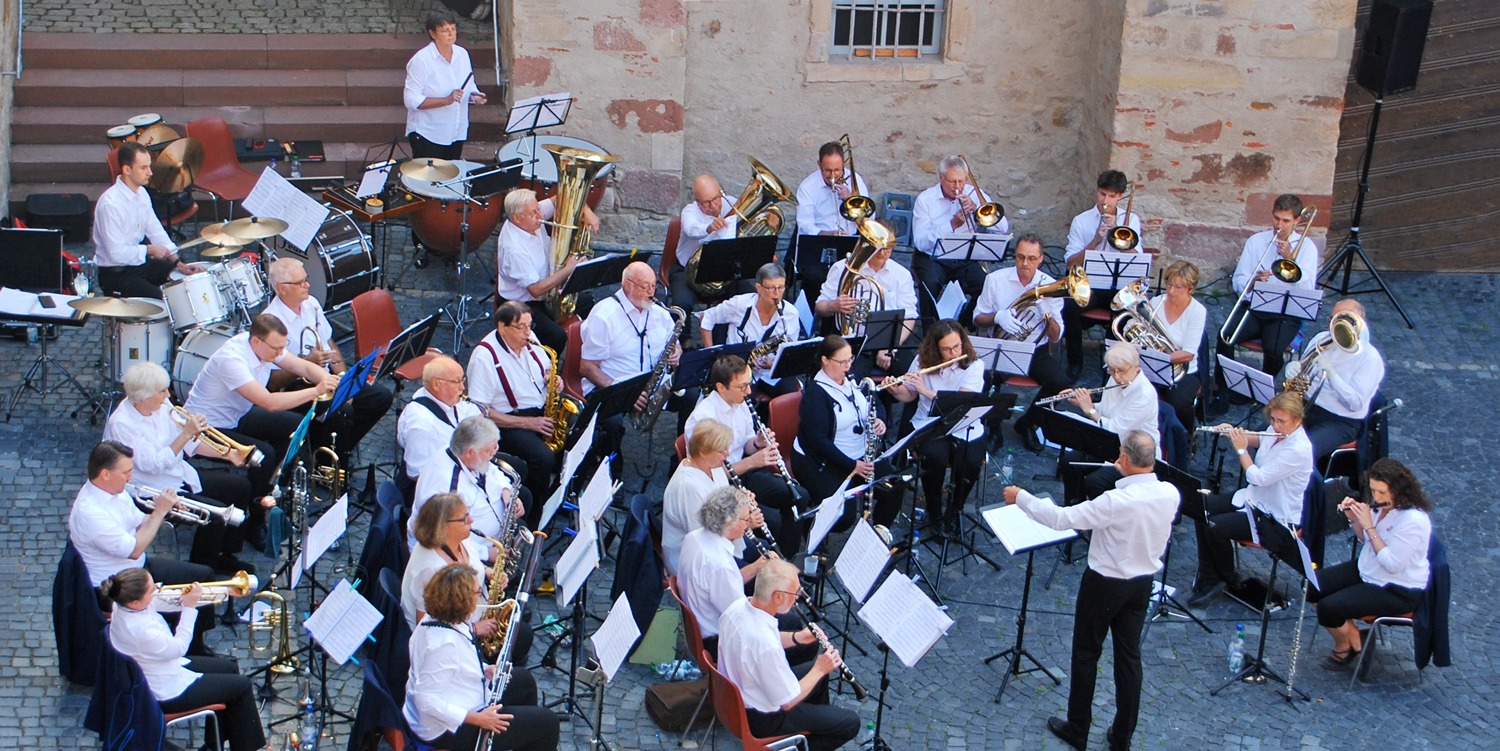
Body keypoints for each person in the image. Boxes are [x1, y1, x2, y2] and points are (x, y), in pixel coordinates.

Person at [1002, 430, 1178, 751]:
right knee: (1129, 658)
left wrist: (1021, 497)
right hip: (1142, 584)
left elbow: (1062, 518)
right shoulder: (1169, 493)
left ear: (1124, 458)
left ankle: (1078, 727)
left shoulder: (1115, 501)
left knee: (1086, 653)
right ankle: (1121, 737)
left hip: (1104, 583)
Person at [103, 362, 258, 572]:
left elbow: (191, 444)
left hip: (179, 474)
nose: (168, 395)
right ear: (144, 397)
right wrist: (186, 434)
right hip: (153, 490)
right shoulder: (122, 424)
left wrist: (230, 454)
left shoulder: (163, 407)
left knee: (240, 487)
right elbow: (152, 465)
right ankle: (203, 568)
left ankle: (226, 554)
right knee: (215, 517)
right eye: (162, 391)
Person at [68, 442, 217, 652]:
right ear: (105, 474)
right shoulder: (90, 513)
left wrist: (164, 510)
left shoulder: (116, 492)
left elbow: (140, 520)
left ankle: (196, 643)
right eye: (126, 472)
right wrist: (159, 513)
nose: (131, 477)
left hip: (137, 569)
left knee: (204, 576)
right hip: (115, 586)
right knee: (182, 591)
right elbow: (134, 549)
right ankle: (185, 650)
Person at [100, 569, 266, 751]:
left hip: (164, 668)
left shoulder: (123, 604)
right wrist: (189, 608)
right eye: (151, 589)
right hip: (167, 690)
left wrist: (225, 591)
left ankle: (214, 744)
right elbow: (179, 647)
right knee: (242, 686)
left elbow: (166, 600)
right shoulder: (142, 632)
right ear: (135, 602)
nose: (157, 588)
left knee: (230, 667)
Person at [182, 314, 339, 499]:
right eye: (277, 348)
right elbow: (269, 403)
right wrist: (316, 390)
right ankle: (258, 506)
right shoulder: (232, 360)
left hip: (237, 414)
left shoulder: (267, 346)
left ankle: (276, 483)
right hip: (208, 426)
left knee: (294, 425)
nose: (280, 353)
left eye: (284, 346)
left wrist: (327, 379)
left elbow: (303, 368)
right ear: (257, 342)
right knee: (264, 455)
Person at [404, 564, 559, 751]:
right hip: (446, 728)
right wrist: (478, 718)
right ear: (462, 600)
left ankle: (518, 739)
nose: (481, 596)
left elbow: (459, 662)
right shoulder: (444, 645)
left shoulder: (439, 618)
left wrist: (485, 669)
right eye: (478, 592)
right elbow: (426, 699)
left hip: (464, 698)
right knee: (547, 724)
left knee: (524, 681)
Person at [1185, 392, 1313, 606]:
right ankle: (1211, 576)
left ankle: (1225, 576)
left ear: (1297, 421)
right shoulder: (1275, 429)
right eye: (1273, 419)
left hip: (1274, 514)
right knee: (1201, 509)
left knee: (1215, 526)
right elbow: (1260, 439)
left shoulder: (1298, 450)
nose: (1276, 425)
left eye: (1282, 421)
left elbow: (1257, 477)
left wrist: (1241, 449)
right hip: (1253, 498)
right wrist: (1233, 433)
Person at [718, 559, 860, 751]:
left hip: (738, 697)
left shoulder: (737, 607)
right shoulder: (765, 645)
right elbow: (786, 702)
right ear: (777, 597)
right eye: (794, 593)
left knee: (819, 678)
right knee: (850, 723)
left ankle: (813, 727)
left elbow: (766, 639)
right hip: (764, 718)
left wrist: (797, 637)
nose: (797, 599)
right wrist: (819, 668)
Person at [262, 258, 394, 462]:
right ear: (282, 289)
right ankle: (329, 459)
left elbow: (329, 342)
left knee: (380, 397)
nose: (307, 285)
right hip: (296, 388)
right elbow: (271, 382)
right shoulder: (270, 322)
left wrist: (343, 377)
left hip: (327, 379)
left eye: (306, 279)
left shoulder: (311, 304)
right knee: (342, 412)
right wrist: (308, 362)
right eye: (300, 283)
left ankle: (335, 451)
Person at [1310, 458, 1432, 670]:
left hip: (1396, 588)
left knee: (1329, 608)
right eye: (1373, 490)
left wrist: (1369, 526)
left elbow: (1392, 564)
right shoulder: (1379, 505)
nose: (1376, 497)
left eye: (1382, 492)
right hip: (1368, 569)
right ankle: (1357, 638)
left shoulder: (1414, 521)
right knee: (1311, 586)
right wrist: (1354, 519)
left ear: (1398, 490)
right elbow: (1364, 539)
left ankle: (1343, 646)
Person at [684, 355, 798, 553]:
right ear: (721, 387)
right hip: (719, 487)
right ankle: (770, 565)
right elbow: (709, 474)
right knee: (773, 521)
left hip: (742, 474)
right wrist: (752, 462)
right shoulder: (703, 419)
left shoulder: (741, 403)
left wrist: (757, 443)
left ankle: (789, 557)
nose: (749, 391)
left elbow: (747, 446)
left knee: (798, 496)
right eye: (742, 386)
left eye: (749, 384)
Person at [1214, 193, 1320, 403]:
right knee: (1224, 336)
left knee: (1274, 350)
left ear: (1297, 221)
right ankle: (1223, 390)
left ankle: (1264, 393)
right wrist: (1253, 282)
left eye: (1286, 220)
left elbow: (1308, 289)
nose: (1279, 225)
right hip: (1255, 307)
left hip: (1286, 313)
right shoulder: (1257, 241)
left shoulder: (1307, 247)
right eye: (1276, 218)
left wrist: (1292, 260)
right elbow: (1238, 281)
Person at [401, 493, 534, 662]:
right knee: (522, 637)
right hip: (452, 641)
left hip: (473, 608)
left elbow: (471, 563)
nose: (471, 520)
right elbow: (427, 626)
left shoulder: (458, 540)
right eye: (464, 518)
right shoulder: (432, 569)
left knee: (521, 627)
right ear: (444, 526)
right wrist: (475, 629)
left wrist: (489, 572)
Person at [883, 321, 986, 536]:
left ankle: (955, 509)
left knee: (971, 462)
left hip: (964, 423)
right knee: (933, 459)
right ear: (936, 348)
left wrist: (927, 391)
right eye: (946, 349)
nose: (953, 353)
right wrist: (896, 390)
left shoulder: (974, 365)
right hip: (929, 423)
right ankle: (934, 511)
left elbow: (961, 403)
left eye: (957, 346)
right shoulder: (922, 361)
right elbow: (910, 395)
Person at [580, 261, 692, 454]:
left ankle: (683, 459)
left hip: (654, 384)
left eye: (654, 285)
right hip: (616, 385)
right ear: (628, 285)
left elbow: (675, 343)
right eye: (645, 287)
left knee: (692, 397)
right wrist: (622, 391)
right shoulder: (604, 315)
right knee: (612, 424)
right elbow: (587, 367)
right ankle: (610, 470)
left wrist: (677, 351)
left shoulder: (660, 312)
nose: (652, 292)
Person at [973, 233, 1070, 452]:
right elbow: (977, 318)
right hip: (1002, 345)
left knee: (1060, 383)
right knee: (987, 379)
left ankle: (1028, 423)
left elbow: (1056, 336)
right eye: (1020, 257)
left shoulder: (1050, 286)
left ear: (1041, 259)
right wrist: (998, 316)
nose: (1025, 263)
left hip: (1035, 349)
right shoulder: (995, 279)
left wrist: (1047, 315)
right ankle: (993, 427)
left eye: (1031, 258)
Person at [470, 302, 565, 522]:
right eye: (521, 327)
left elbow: (546, 366)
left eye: (530, 326)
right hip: (508, 422)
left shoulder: (529, 340)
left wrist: (553, 378)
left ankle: (553, 498)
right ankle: (531, 515)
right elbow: (480, 411)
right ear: (503, 327)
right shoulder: (485, 356)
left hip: (539, 410)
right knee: (543, 457)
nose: (528, 332)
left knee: (578, 434)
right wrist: (528, 424)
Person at [791, 336, 895, 528]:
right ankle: (809, 529)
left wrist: (880, 419)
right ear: (825, 360)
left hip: (860, 455)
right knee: (842, 518)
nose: (848, 366)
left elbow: (876, 401)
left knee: (894, 487)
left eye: (850, 359)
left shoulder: (852, 377)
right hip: (825, 461)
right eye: (842, 361)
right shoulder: (816, 394)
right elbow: (818, 442)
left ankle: (875, 537)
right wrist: (853, 465)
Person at [93, 141, 206, 299]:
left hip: (138, 263)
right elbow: (116, 254)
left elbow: (155, 230)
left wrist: (177, 262)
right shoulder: (110, 205)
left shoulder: (142, 194)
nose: (150, 173)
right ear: (127, 169)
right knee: (164, 302)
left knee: (181, 285)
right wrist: (149, 250)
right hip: (116, 274)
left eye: (149, 166)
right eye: (143, 168)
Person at [494, 188, 600, 355]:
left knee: (588, 302)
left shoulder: (529, 213)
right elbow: (535, 290)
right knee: (556, 336)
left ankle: (582, 354)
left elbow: (564, 196)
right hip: (524, 304)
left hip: (547, 291)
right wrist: (568, 269)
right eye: (533, 213)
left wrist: (586, 211)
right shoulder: (514, 249)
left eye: (538, 209)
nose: (540, 215)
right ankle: (546, 369)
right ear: (516, 218)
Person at [1061, 170, 1144, 380]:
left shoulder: (1130, 219)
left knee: (1124, 313)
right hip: (1090, 285)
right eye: (1102, 194)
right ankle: (1074, 363)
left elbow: (1138, 259)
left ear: (1120, 196)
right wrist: (1095, 242)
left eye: (1112, 196)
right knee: (1069, 306)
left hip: (1118, 286)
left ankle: (1112, 367)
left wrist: (1119, 233)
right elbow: (1071, 263)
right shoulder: (1082, 221)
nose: (1106, 201)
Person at [1057, 343, 1161, 504]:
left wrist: (1090, 410)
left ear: (1136, 367)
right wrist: (1083, 402)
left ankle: (1101, 519)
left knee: (1095, 482)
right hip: (1109, 445)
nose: (1117, 376)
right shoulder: (1115, 377)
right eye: (1112, 370)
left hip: (1134, 453)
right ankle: (1074, 511)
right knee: (1069, 462)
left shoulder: (1144, 395)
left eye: (1121, 371)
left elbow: (1115, 429)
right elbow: (1106, 411)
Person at [911, 155, 1011, 322]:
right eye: (952, 181)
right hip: (933, 257)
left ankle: (961, 323)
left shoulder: (974, 193)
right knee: (929, 286)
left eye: (961, 181)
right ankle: (930, 336)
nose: (957, 187)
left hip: (964, 257)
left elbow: (1003, 228)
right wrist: (952, 224)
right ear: (941, 178)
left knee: (985, 286)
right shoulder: (925, 200)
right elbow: (921, 241)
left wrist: (978, 209)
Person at [677, 487, 772, 656]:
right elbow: (741, 618)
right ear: (729, 522)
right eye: (745, 518)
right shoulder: (720, 564)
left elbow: (722, 585)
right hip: (718, 639)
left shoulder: (693, 537)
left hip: (702, 621)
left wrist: (758, 566)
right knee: (790, 624)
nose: (748, 522)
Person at [1294, 298, 1385, 465]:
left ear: (1360, 322)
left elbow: (1355, 403)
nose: (1335, 325)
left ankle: (1309, 491)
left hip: (1338, 421)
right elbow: (1303, 371)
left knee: (1302, 454)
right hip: (1305, 406)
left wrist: (1332, 375)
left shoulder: (1370, 358)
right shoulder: (1321, 338)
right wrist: (1293, 370)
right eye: (1333, 319)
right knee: (1265, 437)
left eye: (1343, 319)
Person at [814, 236, 918, 380]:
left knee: (914, 379)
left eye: (888, 248)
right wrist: (834, 305)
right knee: (848, 379)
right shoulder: (841, 268)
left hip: (890, 340)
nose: (883, 253)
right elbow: (820, 306)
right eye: (879, 248)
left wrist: (889, 347)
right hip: (853, 340)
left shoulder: (901, 275)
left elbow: (909, 318)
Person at [412, 416, 523, 547]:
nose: (494, 452)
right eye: (489, 450)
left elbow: (493, 471)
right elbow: (444, 538)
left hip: (495, 533)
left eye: (496, 445)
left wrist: (506, 490)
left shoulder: (462, 451)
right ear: (470, 452)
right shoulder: (447, 489)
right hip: (469, 552)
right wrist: (486, 554)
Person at [698, 263, 802, 399]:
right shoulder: (739, 305)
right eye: (771, 288)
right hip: (738, 370)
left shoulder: (790, 314)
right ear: (759, 287)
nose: (777, 293)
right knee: (743, 401)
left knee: (793, 396)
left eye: (781, 287)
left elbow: (789, 349)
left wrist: (774, 364)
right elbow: (706, 317)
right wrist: (711, 357)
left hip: (769, 372)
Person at [403, 9, 486, 160]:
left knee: (450, 177)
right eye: (445, 30)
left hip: (456, 130)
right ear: (433, 34)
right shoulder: (421, 60)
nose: (451, 34)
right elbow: (410, 99)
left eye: (453, 29)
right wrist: (446, 100)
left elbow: (469, 84)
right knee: (429, 180)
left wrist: (474, 95)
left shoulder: (462, 54)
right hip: (428, 133)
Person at [792, 141, 870, 296]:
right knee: (816, 277)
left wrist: (851, 200)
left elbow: (869, 220)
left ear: (844, 165)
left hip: (851, 242)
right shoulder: (808, 186)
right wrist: (827, 234)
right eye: (827, 171)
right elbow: (805, 225)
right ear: (819, 165)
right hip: (820, 243)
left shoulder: (856, 181)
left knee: (861, 277)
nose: (833, 176)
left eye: (837, 170)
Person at [663, 419, 735, 575]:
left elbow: (726, 501)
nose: (727, 454)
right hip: (696, 564)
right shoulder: (688, 487)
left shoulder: (713, 467)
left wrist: (742, 508)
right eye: (722, 451)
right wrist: (743, 525)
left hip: (723, 539)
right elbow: (703, 539)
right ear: (703, 452)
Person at [1144, 260, 1207, 434]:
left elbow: (1188, 353)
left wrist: (1158, 358)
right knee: (1136, 392)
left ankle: (1185, 437)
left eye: (1178, 287)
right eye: (1169, 284)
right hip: (1154, 365)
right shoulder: (1157, 302)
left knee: (1178, 403)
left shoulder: (1197, 311)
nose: (1171, 291)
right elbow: (1141, 330)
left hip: (1183, 371)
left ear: (1190, 289)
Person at [672, 175, 740, 310]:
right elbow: (691, 229)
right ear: (697, 201)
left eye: (716, 198)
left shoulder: (730, 203)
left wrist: (768, 217)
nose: (714, 205)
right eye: (706, 202)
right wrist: (708, 228)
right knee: (682, 303)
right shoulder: (690, 211)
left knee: (749, 295)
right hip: (689, 270)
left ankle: (728, 331)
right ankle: (682, 332)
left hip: (724, 269)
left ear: (720, 192)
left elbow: (754, 217)